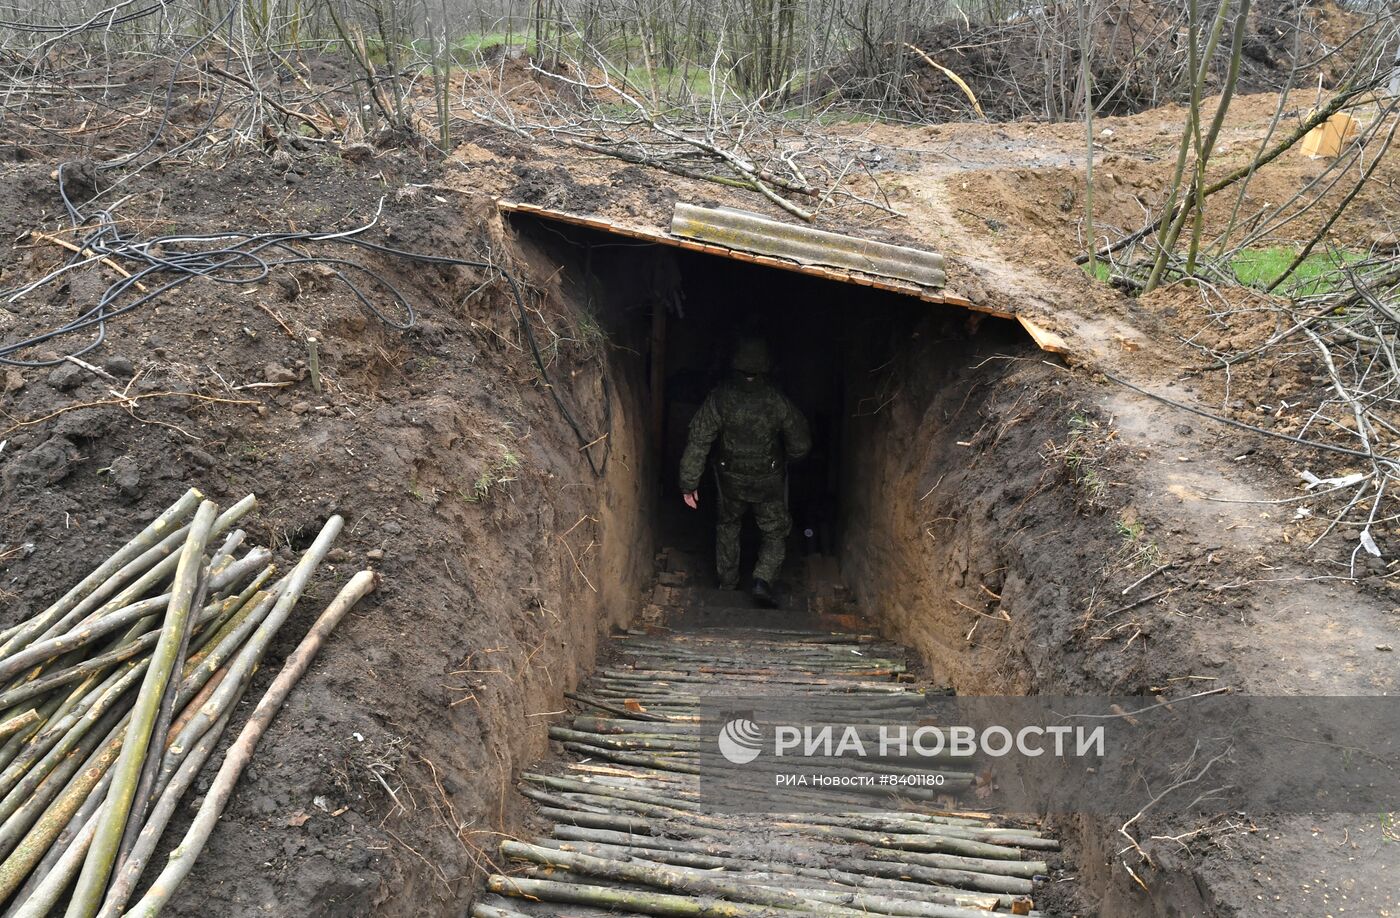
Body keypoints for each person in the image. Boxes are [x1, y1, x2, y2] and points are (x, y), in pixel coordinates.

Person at [679, 338, 811, 607]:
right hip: (769, 480)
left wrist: (688, 482)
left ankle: (727, 585)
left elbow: (699, 440)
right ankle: (762, 579)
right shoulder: (776, 400)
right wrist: (790, 459)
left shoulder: (720, 398)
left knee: (728, 526)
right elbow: (801, 444)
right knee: (775, 531)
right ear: (766, 366)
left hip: (730, 480)